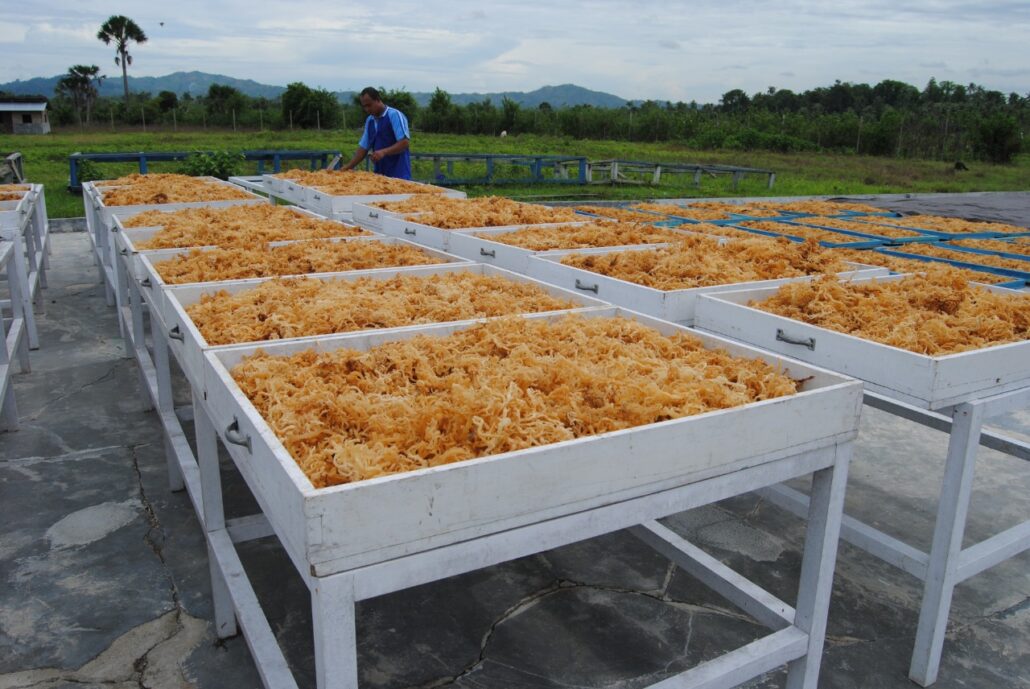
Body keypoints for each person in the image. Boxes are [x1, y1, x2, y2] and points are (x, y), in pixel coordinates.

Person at [341, 87, 412, 179]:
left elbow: (404, 143)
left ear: (378, 100)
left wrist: (384, 152)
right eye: (364, 106)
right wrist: (347, 167)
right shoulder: (370, 120)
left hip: (399, 175)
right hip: (380, 176)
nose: (367, 109)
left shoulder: (394, 115)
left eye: (369, 105)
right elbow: (363, 148)